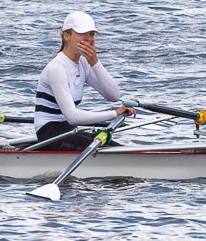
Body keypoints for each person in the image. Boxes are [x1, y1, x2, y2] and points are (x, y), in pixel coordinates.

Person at [33, 11, 134, 146]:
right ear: (66, 36)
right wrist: (115, 113)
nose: (88, 39)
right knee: (112, 152)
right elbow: (72, 116)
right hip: (49, 134)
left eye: (91, 34)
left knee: (117, 148)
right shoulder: (56, 68)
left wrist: (95, 63)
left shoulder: (83, 63)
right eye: (82, 33)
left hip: (68, 130)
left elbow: (114, 95)